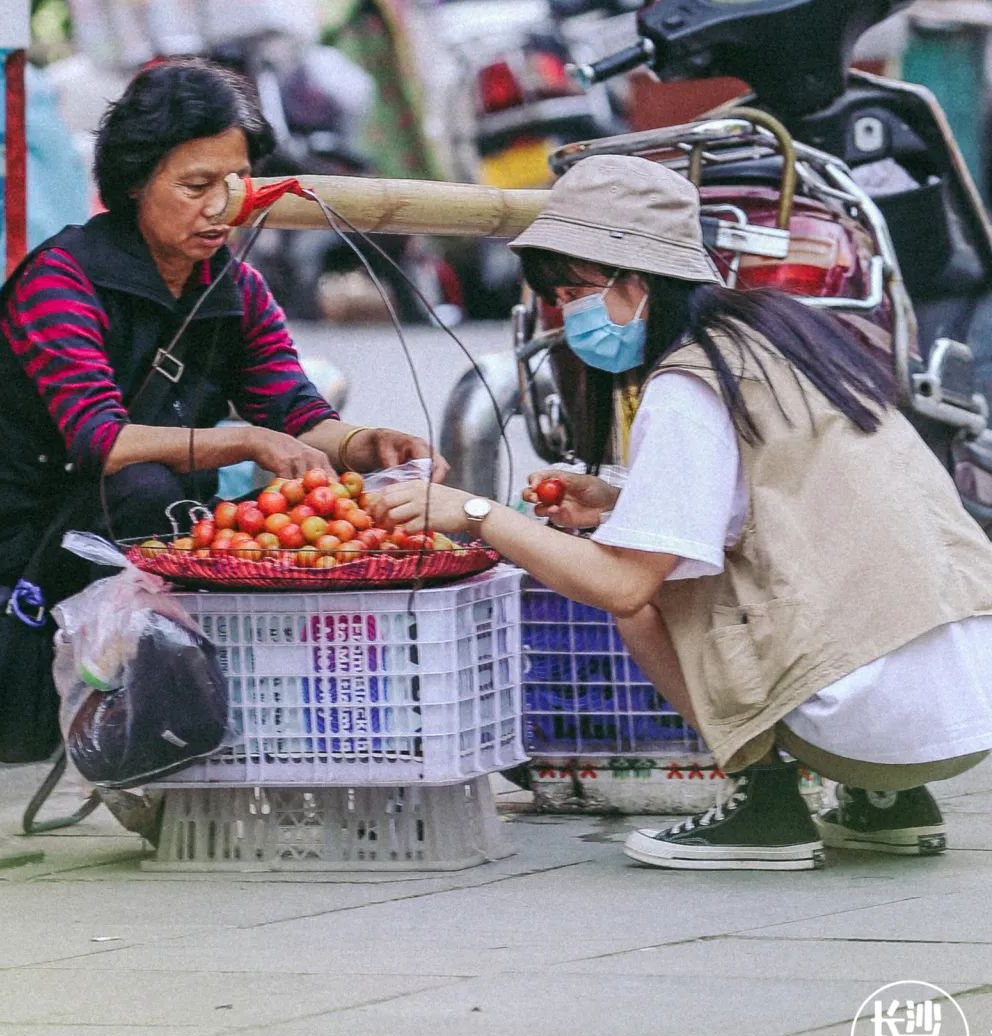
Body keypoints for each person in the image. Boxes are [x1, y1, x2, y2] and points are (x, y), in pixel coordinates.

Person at [372, 154, 992, 873]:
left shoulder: (691, 379)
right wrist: (617, 501)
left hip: (870, 714)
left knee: (651, 590)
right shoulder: (784, 334)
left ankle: (764, 805)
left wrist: (471, 509)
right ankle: (890, 803)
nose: (567, 312)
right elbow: (778, 499)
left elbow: (624, 585)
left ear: (639, 281)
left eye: (577, 289)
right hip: (967, 688)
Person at [0, 57, 442, 606]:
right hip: (48, 549)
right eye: (195, 186)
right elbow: (104, 443)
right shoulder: (59, 280)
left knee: (319, 503)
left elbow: (297, 416)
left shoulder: (238, 290)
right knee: (141, 486)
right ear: (133, 183)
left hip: (175, 529)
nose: (221, 206)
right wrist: (246, 440)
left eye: (236, 182)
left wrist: (367, 444)